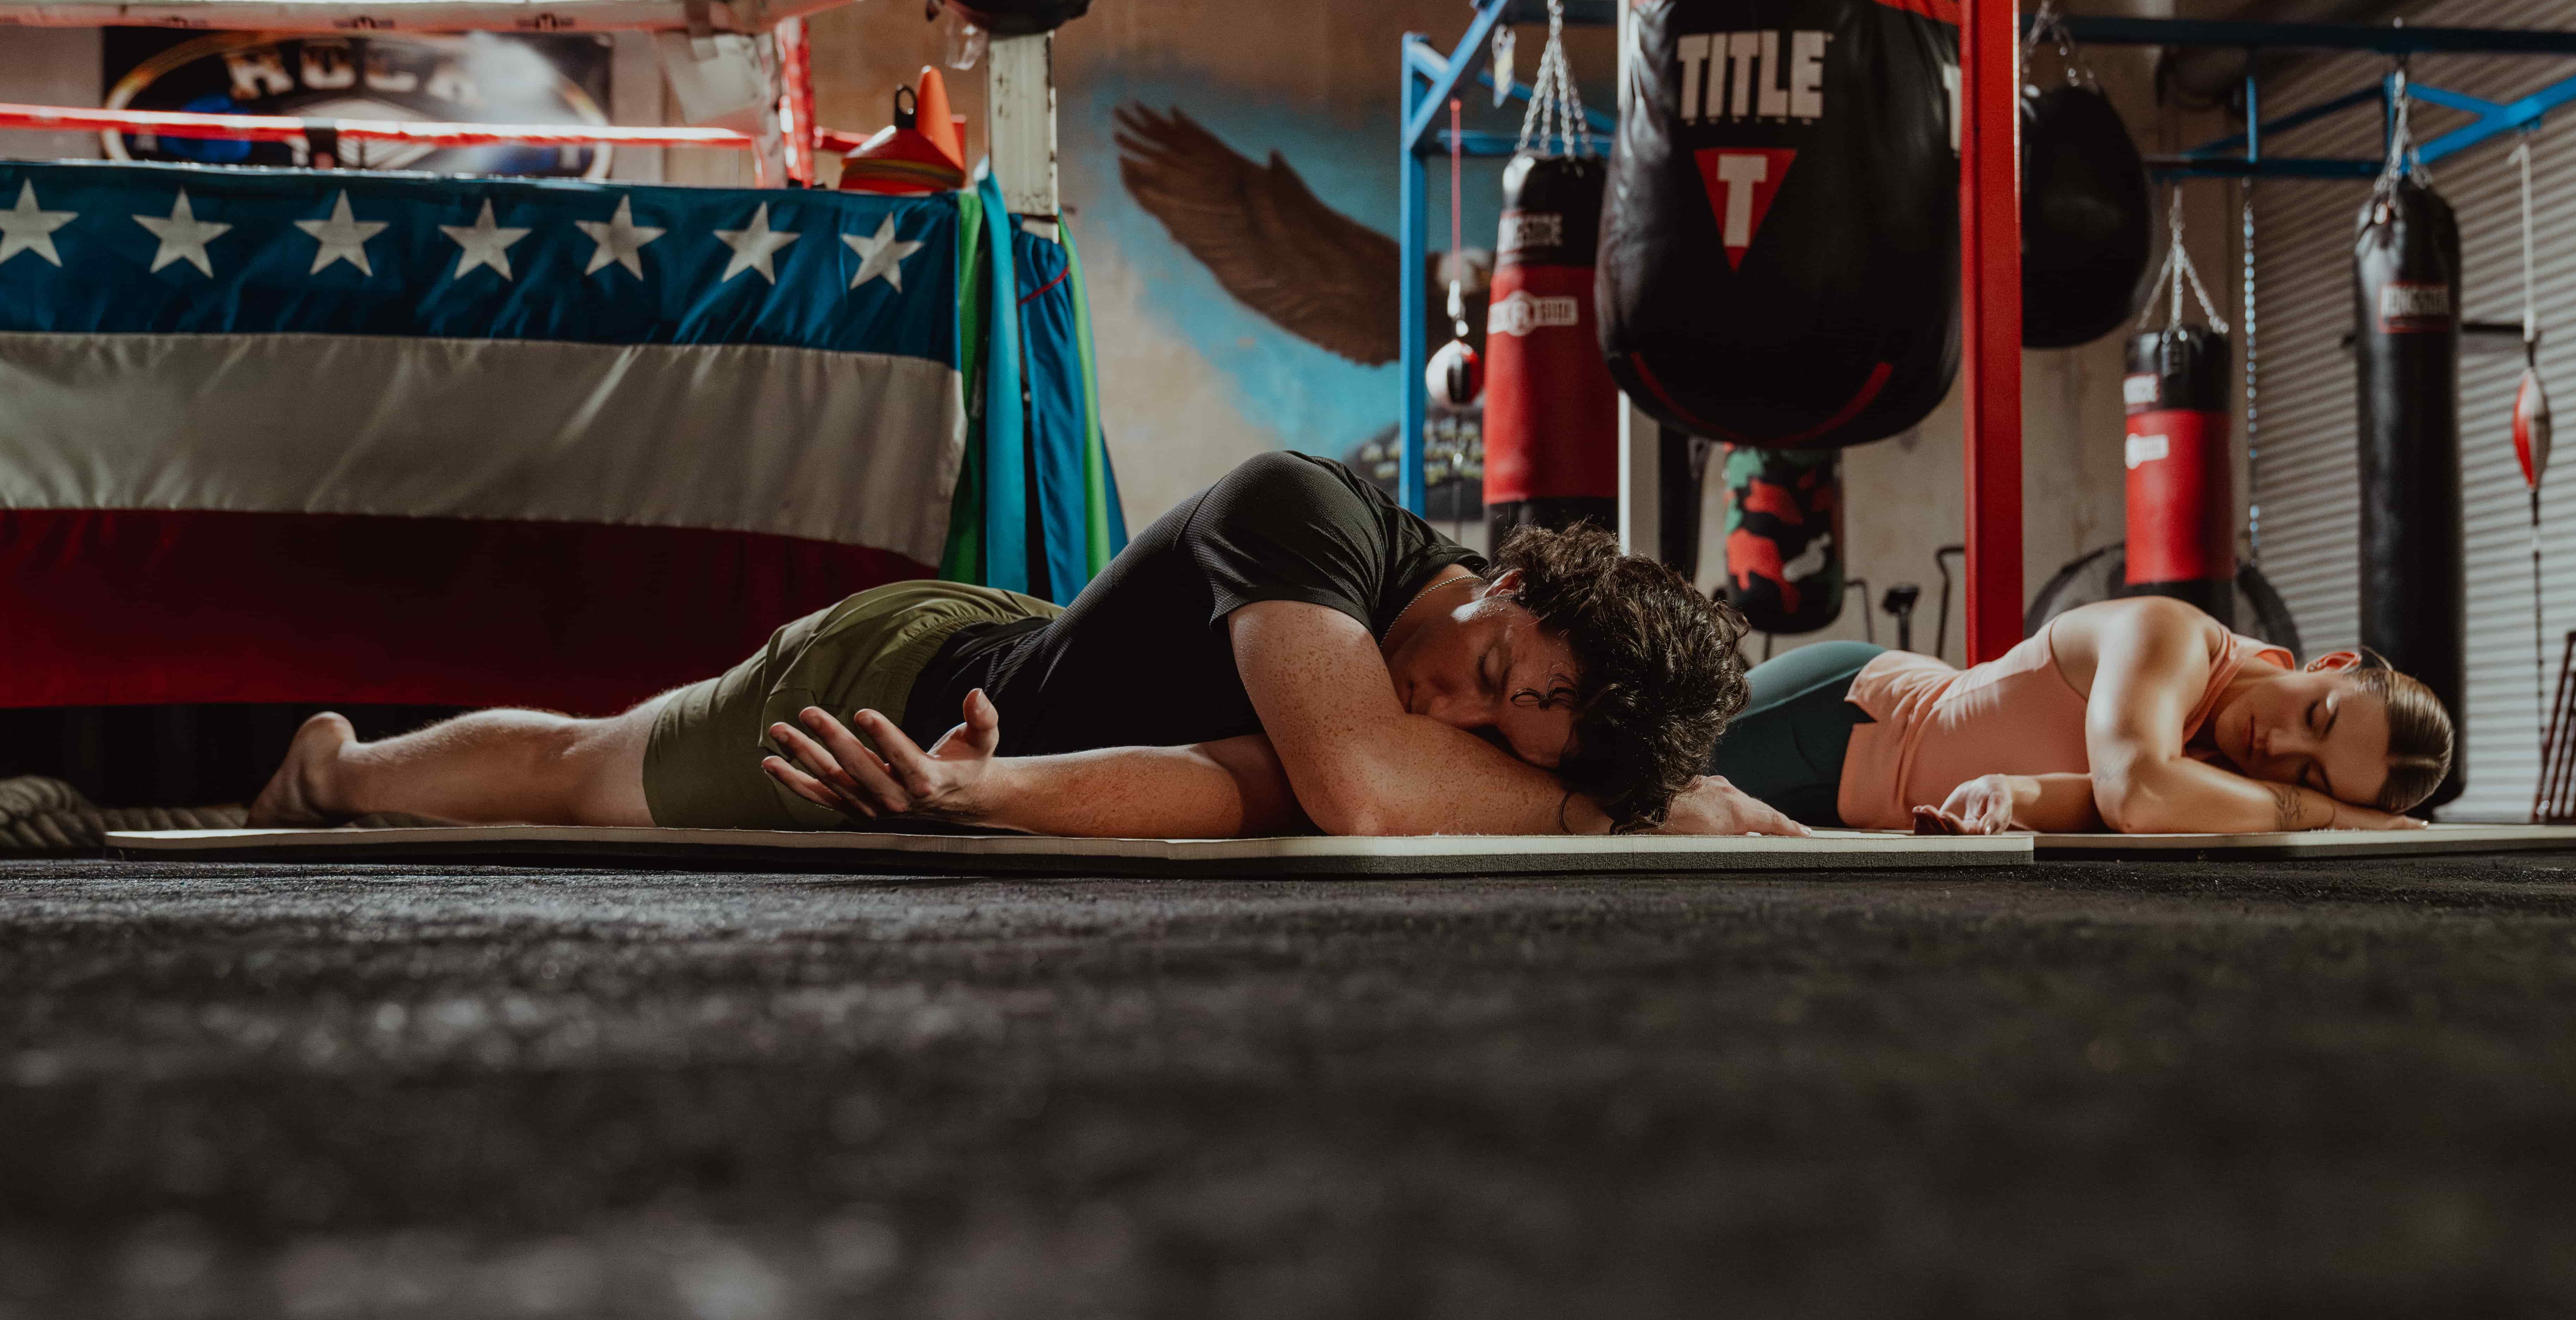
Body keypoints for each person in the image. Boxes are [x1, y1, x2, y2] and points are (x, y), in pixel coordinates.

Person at [252, 451, 1797, 839]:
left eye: (1507, 733)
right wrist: (1599, 810)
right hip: (892, 681)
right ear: (1506, 586)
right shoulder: (1304, 511)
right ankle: (334, 770)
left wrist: (993, 802)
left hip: (1007, 707)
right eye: (1489, 684)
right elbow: (1355, 788)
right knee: (592, 771)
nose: (1450, 709)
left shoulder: (1492, 701)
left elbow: (1243, 784)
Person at [1710, 595, 2454, 835]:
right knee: (1605, 780)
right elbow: (2133, 792)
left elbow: (2095, 800)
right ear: (2326, 665)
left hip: (1862, 810)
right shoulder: (2173, 636)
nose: (2280, 745)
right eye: (2317, 717)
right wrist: (2327, 816)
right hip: (1844, 718)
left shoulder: (2226, 781)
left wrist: (2012, 796)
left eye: (2310, 771)